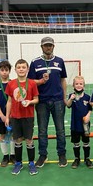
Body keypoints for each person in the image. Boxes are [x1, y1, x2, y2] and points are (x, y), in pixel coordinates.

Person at [27, 36, 68, 168]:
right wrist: (41, 81)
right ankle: (43, 155)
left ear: (53, 46)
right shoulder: (35, 63)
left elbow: (63, 80)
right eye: (46, 45)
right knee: (42, 131)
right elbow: (30, 82)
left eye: (50, 45)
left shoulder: (60, 61)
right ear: (41, 47)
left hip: (58, 101)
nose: (48, 47)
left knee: (60, 130)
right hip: (42, 102)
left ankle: (61, 154)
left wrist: (64, 97)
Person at [5, 59, 39, 175]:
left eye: (23, 67)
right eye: (19, 67)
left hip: (28, 116)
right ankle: (18, 163)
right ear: (15, 70)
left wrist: (30, 102)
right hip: (15, 116)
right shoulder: (11, 84)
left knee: (29, 140)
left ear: (27, 69)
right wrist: (7, 117)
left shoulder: (32, 83)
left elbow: (37, 99)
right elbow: (9, 101)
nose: (21, 69)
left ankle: (31, 163)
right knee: (17, 139)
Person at [0, 60, 16, 167]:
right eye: (2, 70)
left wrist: (10, 114)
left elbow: (15, 99)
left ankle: (13, 155)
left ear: (10, 71)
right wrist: (1, 114)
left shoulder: (13, 84)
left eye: (6, 70)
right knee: (3, 135)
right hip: (1, 116)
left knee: (12, 136)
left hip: (13, 115)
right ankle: (5, 156)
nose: (4, 72)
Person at [66, 76, 93, 169]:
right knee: (76, 142)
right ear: (73, 85)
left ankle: (87, 159)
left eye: (80, 84)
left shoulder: (87, 97)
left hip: (85, 124)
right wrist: (70, 99)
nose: (78, 85)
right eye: (76, 84)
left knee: (86, 142)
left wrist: (88, 116)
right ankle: (77, 159)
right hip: (75, 124)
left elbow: (90, 109)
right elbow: (68, 105)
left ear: (84, 85)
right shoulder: (71, 96)